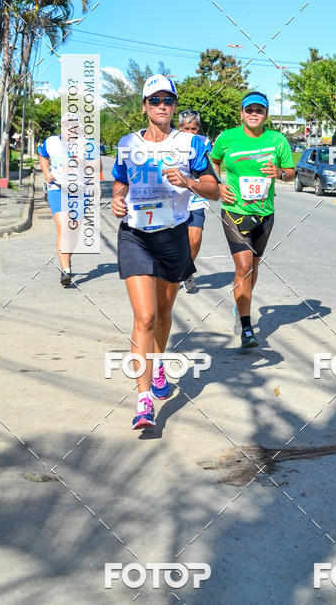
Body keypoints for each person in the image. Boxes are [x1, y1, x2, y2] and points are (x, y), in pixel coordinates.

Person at [111, 75, 220, 430]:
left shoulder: (192, 143)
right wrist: (116, 198)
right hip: (135, 236)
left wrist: (188, 182)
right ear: (143, 106)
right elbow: (121, 179)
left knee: (163, 314)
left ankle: (157, 363)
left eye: (167, 101)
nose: (161, 106)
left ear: (174, 106)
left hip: (173, 237)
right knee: (144, 316)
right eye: (154, 100)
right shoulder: (127, 143)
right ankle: (144, 402)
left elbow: (214, 190)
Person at [211, 91, 295, 350]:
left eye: (259, 110)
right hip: (234, 211)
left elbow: (291, 174)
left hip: (264, 214)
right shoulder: (227, 138)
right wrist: (217, 184)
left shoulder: (277, 140)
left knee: (253, 267)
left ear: (266, 114)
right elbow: (212, 161)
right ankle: (247, 328)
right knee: (244, 266)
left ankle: (240, 306)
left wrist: (280, 173)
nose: (254, 114)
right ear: (242, 114)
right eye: (249, 110)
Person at [37, 114, 99, 287]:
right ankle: (66, 270)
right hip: (57, 188)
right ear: (61, 126)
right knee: (64, 227)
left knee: (73, 231)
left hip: (79, 191)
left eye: (74, 124)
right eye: (67, 124)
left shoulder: (87, 143)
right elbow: (42, 155)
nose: (70, 128)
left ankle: (67, 260)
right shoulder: (51, 142)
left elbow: (97, 166)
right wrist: (46, 172)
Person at [178, 109, 212, 294]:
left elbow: (213, 167)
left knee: (195, 240)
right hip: (176, 199)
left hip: (197, 199)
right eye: (186, 128)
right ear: (180, 128)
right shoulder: (171, 142)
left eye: (194, 128)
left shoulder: (205, 143)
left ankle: (187, 270)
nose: (190, 132)